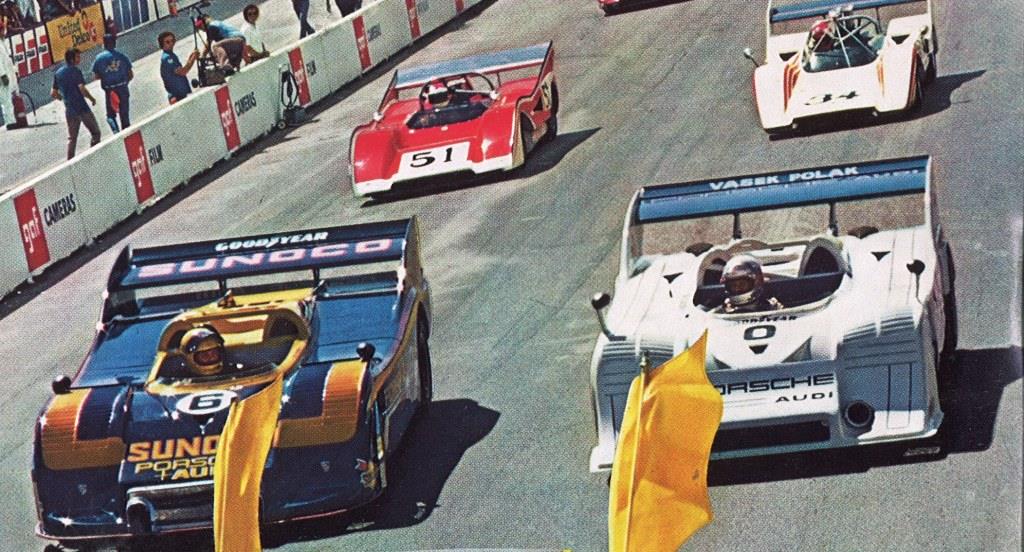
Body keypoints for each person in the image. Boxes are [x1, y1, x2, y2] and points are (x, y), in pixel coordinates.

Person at [51, 47, 100, 159]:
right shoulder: (76, 71)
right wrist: (91, 98)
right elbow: (82, 88)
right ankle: (95, 155)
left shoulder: (58, 73)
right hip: (82, 108)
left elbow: (53, 93)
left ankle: (70, 161)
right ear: (72, 59)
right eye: (77, 57)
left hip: (70, 110)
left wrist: (63, 98)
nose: (79, 59)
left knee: (72, 139)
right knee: (95, 133)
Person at [91, 33, 132, 132]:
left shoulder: (99, 58)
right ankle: (127, 134)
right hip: (123, 88)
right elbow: (131, 74)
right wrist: (124, 82)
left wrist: (106, 75)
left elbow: (96, 76)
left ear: (104, 44)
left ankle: (116, 132)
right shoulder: (122, 56)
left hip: (110, 90)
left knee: (110, 116)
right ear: (114, 43)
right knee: (124, 115)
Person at [717, 255, 784, 313]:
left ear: (757, 282)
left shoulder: (773, 309)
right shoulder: (721, 312)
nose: (737, 289)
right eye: (733, 285)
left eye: (742, 284)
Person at [158, 31, 197, 104]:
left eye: (172, 41)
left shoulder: (172, 56)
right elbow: (183, 72)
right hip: (177, 97)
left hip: (183, 94)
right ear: (162, 44)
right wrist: (193, 59)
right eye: (167, 42)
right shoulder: (167, 58)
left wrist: (191, 56)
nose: (171, 43)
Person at [0, 16, 19, 128]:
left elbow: (10, 58)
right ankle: (10, 122)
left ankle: (18, 117)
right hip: (3, 76)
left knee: (14, 95)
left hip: (10, 72)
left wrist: (15, 71)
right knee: (6, 99)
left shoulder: (4, 42)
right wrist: (2, 75)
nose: (4, 32)